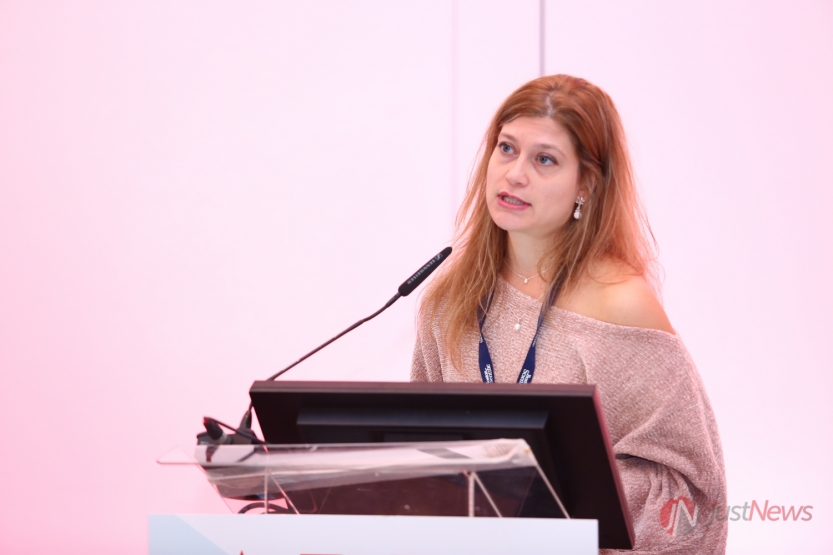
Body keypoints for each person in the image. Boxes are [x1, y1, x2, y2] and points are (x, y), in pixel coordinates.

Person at [411, 75, 727, 554]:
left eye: (545, 160)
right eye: (506, 148)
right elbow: (422, 456)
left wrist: (545, 495)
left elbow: (693, 500)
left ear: (586, 184)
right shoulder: (449, 298)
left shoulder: (619, 306)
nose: (515, 174)